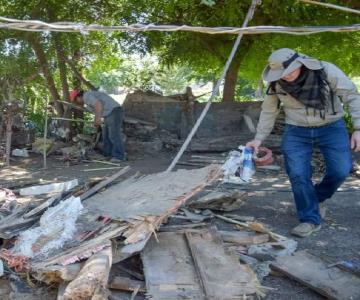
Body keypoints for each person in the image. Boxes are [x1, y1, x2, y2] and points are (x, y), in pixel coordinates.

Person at [246, 48, 360, 238]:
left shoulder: (326, 71)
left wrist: (358, 128)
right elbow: (269, 111)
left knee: (341, 170)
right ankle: (309, 219)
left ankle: (317, 198)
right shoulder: (276, 84)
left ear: (300, 64)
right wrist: (258, 139)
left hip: (331, 127)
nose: (286, 76)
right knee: (298, 174)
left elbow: (352, 96)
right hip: (296, 130)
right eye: (282, 73)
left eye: (289, 70)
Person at [70, 89, 126, 163]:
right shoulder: (88, 100)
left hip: (114, 111)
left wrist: (97, 118)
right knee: (106, 135)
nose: (77, 102)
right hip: (109, 113)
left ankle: (119, 156)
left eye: (76, 100)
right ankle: (108, 154)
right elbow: (97, 109)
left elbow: (98, 104)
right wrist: (96, 120)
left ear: (78, 97)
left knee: (113, 135)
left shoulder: (86, 96)